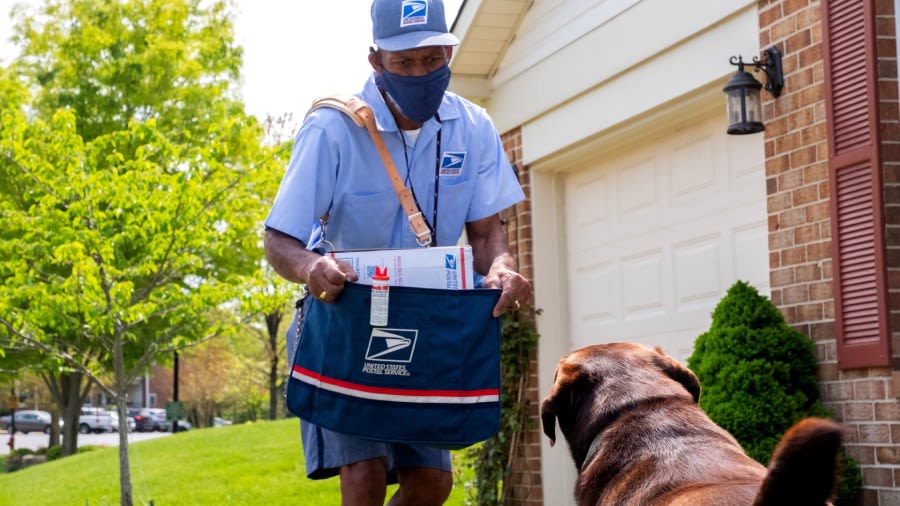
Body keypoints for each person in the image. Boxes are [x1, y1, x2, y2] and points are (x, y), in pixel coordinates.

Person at [263, 0, 531, 504]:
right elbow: (278, 240)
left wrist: (501, 266)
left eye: (432, 59)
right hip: (346, 319)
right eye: (404, 62)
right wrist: (311, 266)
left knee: (433, 483)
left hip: (430, 320)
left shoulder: (473, 127)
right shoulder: (332, 128)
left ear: (449, 52)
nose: (420, 72)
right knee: (362, 474)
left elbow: (487, 233)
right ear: (376, 60)